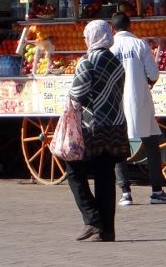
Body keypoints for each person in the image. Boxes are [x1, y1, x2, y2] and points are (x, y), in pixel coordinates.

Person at [66, 19, 129, 243]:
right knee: (105, 176)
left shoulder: (87, 62)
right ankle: (107, 231)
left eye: (86, 37)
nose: (85, 40)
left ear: (93, 37)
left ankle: (92, 219)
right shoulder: (116, 62)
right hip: (116, 125)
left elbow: (78, 94)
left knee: (73, 171)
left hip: (93, 127)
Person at [109, 12, 166, 206]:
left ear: (112, 29)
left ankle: (125, 193)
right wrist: (148, 81)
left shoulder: (109, 48)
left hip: (116, 103)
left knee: (119, 147)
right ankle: (156, 191)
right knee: (152, 145)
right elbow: (153, 74)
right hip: (140, 101)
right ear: (130, 26)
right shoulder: (139, 45)